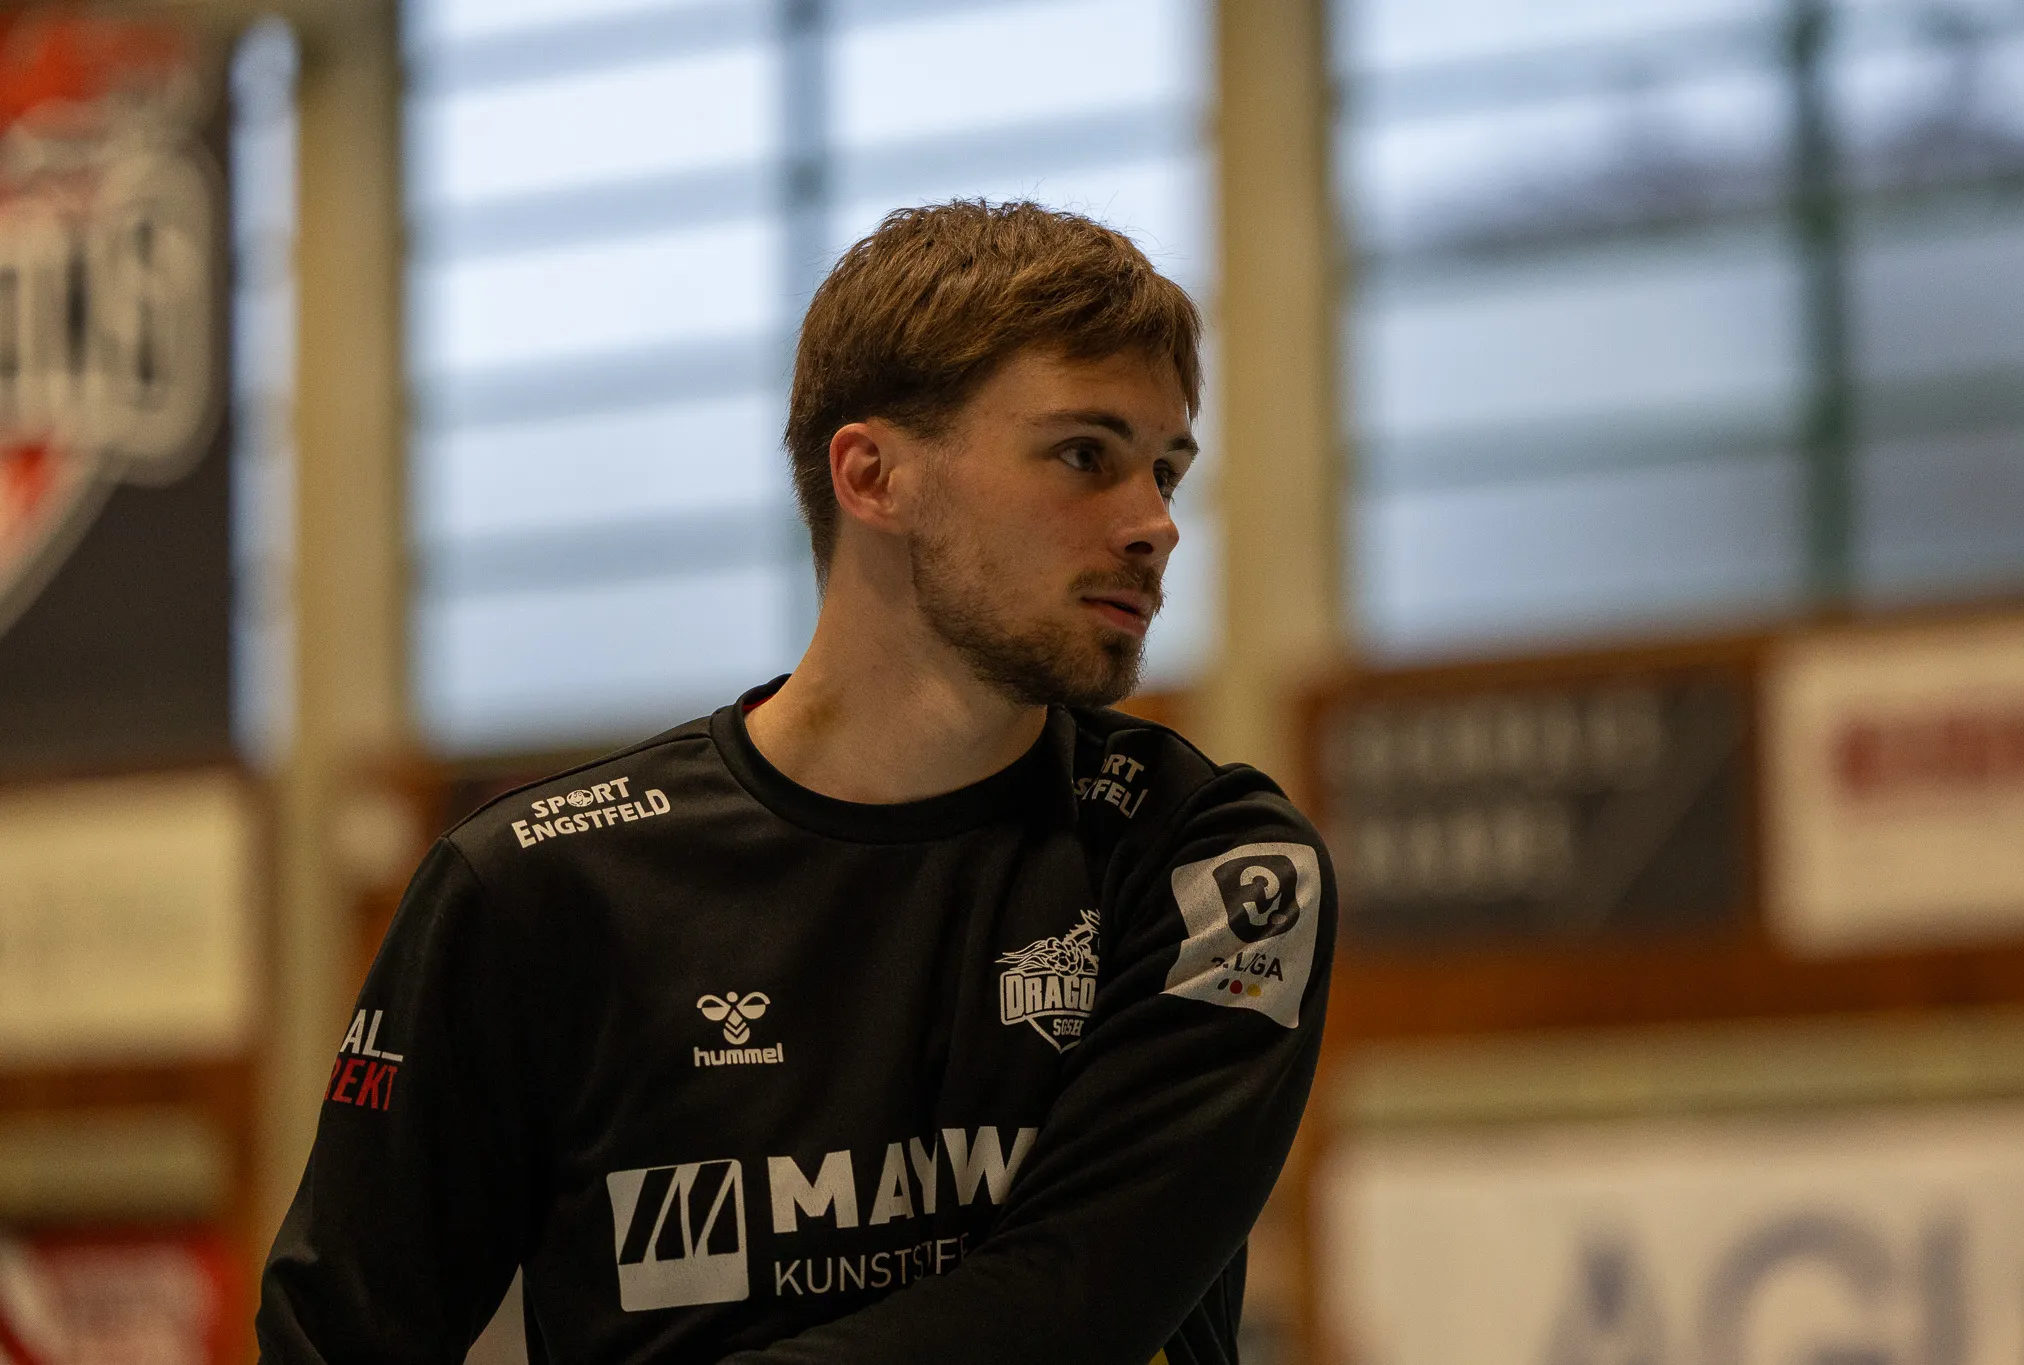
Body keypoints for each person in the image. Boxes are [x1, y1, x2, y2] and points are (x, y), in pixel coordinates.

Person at [258, 199, 1335, 1365]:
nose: (1155, 525)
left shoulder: (1215, 868)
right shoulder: (534, 888)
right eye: (1085, 455)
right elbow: (337, 1340)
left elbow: (1064, 1308)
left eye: (1165, 469)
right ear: (872, 476)